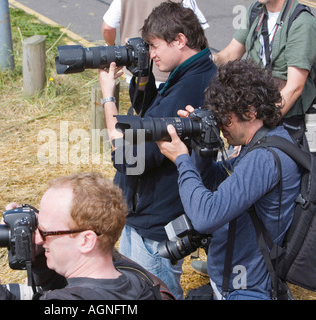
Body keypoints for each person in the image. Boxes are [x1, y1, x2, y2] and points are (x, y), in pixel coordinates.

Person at [98, 1, 217, 299]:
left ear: (179, 40)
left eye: (154, 46)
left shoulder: (191, 88)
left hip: (154, 222)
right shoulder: (192, 73)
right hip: (151, 211)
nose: (150, 53)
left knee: (149, 293)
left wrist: (107, 98)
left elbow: (131, 157)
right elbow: (150, 112)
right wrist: (142, 75)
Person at [156, 59, 301, 299]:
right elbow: (217, 181)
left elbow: (205, 217)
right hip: (233, 283)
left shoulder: (264, 158)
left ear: (251, 111)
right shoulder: (260, 144)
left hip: (247, 290)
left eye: (225, 117)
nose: (221, 125)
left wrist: (182, 160)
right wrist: (203, 146)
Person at [0, 172, 166, 300]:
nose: (36, 238)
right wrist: (38, 259)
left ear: (86, 240)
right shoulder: (137, 283)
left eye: (44, 232)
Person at [213, 0, 316, 143]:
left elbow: (294, 88)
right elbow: (230, 54)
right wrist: (207, 58)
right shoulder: (255, 10)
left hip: (283, 119)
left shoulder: (301, 21)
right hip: (253, 116)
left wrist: (260, 125)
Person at [102, 0, 209, 86]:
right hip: (171, 75)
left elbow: (107, 27)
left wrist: (113, 49)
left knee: (142, 106)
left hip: (135, 69)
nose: (151, 54)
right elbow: (197, 30)